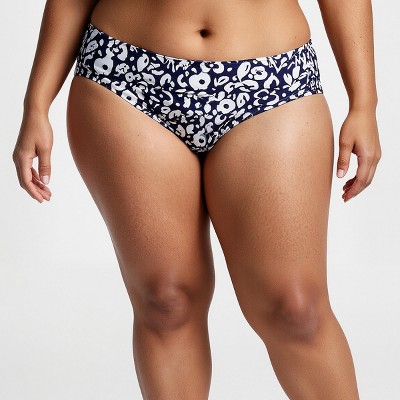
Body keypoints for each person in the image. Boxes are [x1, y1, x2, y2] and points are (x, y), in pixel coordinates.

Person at [12, 0, 381, 398]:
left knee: (296, 308)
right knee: (166, 301)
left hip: (272, 81)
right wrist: (36, 104)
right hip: (125, 75)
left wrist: (364, 101)